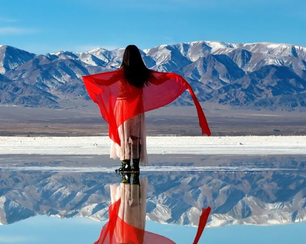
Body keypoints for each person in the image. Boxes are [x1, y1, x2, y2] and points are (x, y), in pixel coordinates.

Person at [82, 45, 211, 173]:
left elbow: (106, 83)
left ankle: (125, 164)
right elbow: (158, 82)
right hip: (137, 108)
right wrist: (172, 77)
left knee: (124, 136)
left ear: (125, 57)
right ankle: (135, 165)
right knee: (136, 137)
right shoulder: (143, 73)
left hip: (123, 108)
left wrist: (90, 81)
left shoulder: (122, 72)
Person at [83, 173, 211, 244]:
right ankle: (126, 178)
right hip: (123, 236)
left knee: (136, 208)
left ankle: (134, 176)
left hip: (138, 234)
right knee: (124, 208)